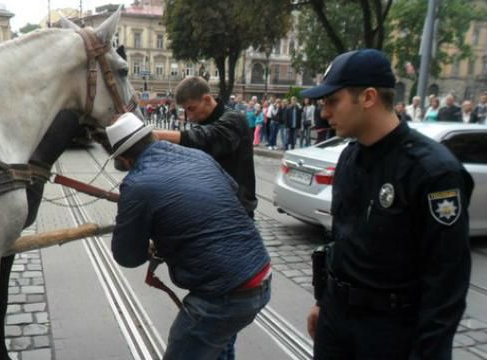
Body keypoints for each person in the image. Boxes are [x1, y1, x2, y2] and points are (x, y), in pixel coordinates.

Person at [302, 49, 473, 360]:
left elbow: (446, 281)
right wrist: (324, 301)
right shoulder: (350, 157)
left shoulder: (433, 171)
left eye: (332, 101)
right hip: (337, 323)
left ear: (367, 97)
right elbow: (341, 240)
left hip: (389, 332)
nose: (324, 112)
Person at [107, 113, 271, 360]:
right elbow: (233, 195)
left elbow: (127, 256)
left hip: (223, 295)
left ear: (124, 160)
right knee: (217, 345)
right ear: (152, 136)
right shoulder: (198, 156)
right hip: (260, 274)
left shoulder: (136, 184)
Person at [153, 76, 258, 218]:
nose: (189, 116)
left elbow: (206, 139)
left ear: (207, 99)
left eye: (191, 108)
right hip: (214, 206)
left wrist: (153, 134)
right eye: (185, 110)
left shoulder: (234, 119)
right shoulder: (206, 122)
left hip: (236, 210)